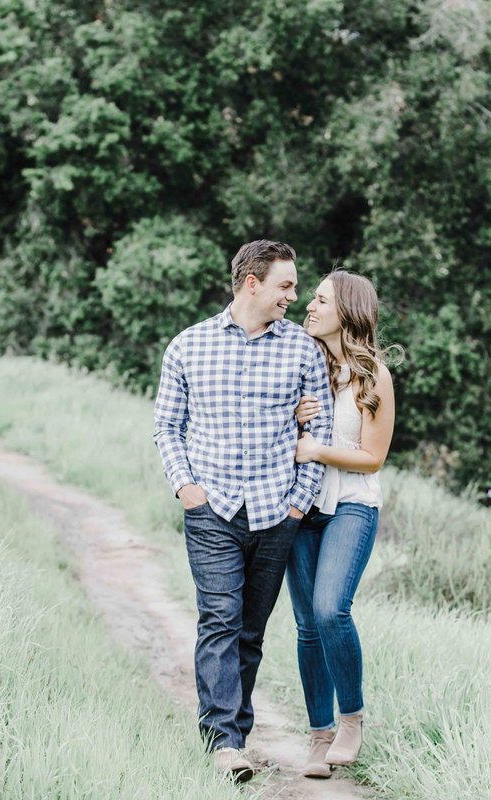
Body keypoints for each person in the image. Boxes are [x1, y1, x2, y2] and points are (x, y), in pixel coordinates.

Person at [153, 240, 334, 782]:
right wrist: (186, 486)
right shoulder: (188, 346)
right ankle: (224, 741)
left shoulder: (302, 349)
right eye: (285, 285)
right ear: (251, 283)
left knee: (250, 631)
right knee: (220, 621)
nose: (293, 296)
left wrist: (300, 503)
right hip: (213, 509)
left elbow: (317, 429)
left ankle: (237, 728)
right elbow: (167, 425)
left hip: (277, 511)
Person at [286, 269, 398, 779]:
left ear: (347, 311)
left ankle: (351, 720)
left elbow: (373, 457)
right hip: (303, 505)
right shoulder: (301, 363)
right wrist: (295, 416)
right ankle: (318, 734)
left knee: (331, 609)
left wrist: (317, 447)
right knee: (307, 625)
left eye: (319, 299)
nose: (308, 305)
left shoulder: (374, 376)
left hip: (352, 504)